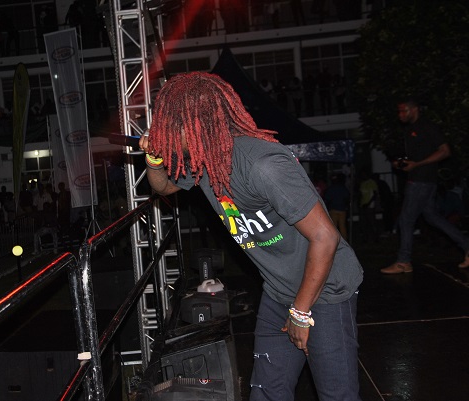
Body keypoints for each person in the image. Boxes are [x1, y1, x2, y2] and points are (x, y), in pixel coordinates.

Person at [139, 72, 363, 401]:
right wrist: (154, 158)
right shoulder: (204, 163)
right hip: (278, 291)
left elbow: (325, 238)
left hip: (326, 290)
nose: (162, 133)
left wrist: (301, 312)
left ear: (197, 124)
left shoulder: (262, 165)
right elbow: (164, 187)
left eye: (169, 126)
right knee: (266, 393)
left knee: (337, 396)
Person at [381, 98, 469, 273]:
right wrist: (401, 163)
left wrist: (417, 165)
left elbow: (445, 151)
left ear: (414, 110)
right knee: (432, 217)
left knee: (406, 219)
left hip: (421, 181)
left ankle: (403, 261)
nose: (400, 114)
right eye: (399, 111)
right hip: (422, 180)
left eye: (403, 110)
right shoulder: (410, 130)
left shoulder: (427, 126)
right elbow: (416, 157)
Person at [323, 173, 350, 241]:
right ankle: (344, 242)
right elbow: (347, 198)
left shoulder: (330, 189)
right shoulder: (342, 188)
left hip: (333, 209)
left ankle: (334, 241)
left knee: (334, 227)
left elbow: (327, 199)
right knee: (342, 226)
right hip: (342, 209)